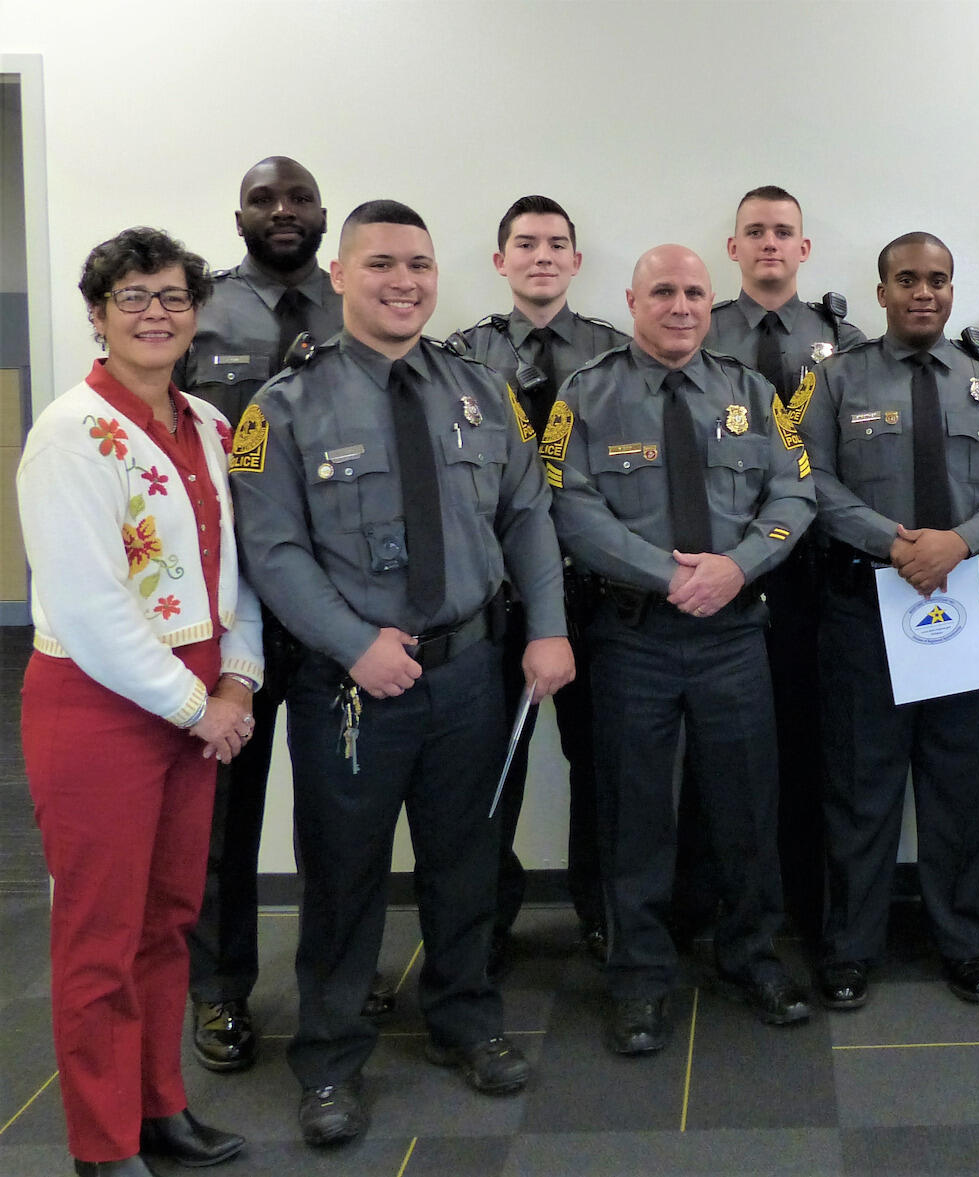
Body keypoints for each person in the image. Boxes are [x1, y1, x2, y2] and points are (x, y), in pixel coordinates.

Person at [231, 200, 576, 1143]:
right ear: (340, 276)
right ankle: (330, 1058)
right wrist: (352, 642)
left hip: (473, 672)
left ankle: (464, 1018)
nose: (405, 281)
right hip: (351, 688)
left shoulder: (482, 391)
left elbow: (526, 518)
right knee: (343, 876)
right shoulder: (283, 408)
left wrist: (547, 628)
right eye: (382, 263)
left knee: (466, 862)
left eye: (420, 265)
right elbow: (273, 549)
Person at [18, 226, 254, 1175]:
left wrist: (240, 677)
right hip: (99, 705)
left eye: (172, 296)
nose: (155, 313)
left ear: (195, 314)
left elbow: (232, 572)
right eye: (133, 298)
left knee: (168, 920)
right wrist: (196, 703)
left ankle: (161, 1107)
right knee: (98, 936)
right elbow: (86, 601)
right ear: (99, 316)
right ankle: (103, 1143)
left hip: (197, 695)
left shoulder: (207, 422)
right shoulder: (70, 431)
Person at [544, 244, 816, 1057]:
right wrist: (668, 576)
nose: (681, 306)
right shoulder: (584, 395)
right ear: (631, 299)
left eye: (694, 291)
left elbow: (795, 490)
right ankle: (638, 978)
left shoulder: (753, 392)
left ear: (711, 300)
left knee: (745, 807)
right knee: (633, 817)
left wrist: (738, 565)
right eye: (663, 291)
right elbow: (569, 506)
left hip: (734, 632)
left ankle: (751, 956)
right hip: (634, 637)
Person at [170, 156, 385, 1074]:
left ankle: (341, 969)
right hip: (232, 604)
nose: (283, 211)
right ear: (239, 215)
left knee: (346, 805)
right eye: (265, 198)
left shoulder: (361, 307)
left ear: (325, 215)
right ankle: (220, 993)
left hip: (339, 603)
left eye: (298, 198)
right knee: (227, 809)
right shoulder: (198, 312)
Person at [798, 232, 979, 1010]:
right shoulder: (833, 381)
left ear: (951, 288)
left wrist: (957, 544)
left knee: (959, 786)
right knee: (862, 786)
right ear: (881, 292)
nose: (923, 292)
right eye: (907, 279)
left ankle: (964, 943)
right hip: (864, 609)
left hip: (966, 606)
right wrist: (896, 544)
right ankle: (850, 946)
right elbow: (809, 481)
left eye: (938, 279)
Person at [450, 195, 630, 974]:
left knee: (608, 766)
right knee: (489, 769)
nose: (542, 256)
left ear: (577, 261)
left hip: (598, 589)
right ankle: (484, 921)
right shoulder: (459, 356)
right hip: (499, 596)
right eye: (525, 244)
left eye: (558, 243)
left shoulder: (618, 353)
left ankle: (605, 914)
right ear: (501, 262)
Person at [701, 184, 867, 947]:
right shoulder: (696, 329)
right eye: (755, 232)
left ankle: (806, 902)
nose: (770, 243)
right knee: (724, 751)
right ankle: (723, 903)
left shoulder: (847, 339)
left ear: (805, 250)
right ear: (732, 249)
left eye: (784, 232)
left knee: (813, 743)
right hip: (729, 572)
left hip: (819, 573)